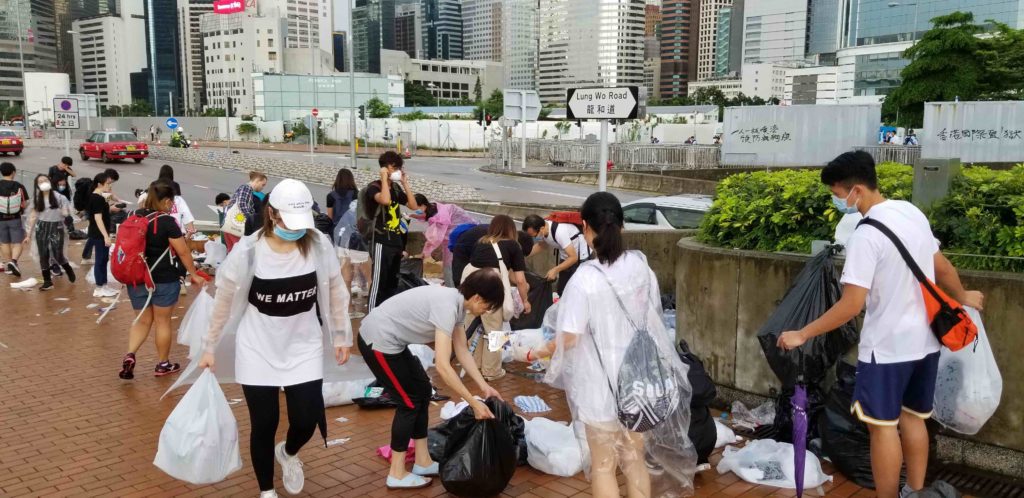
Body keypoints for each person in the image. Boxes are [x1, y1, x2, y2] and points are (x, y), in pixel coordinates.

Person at [777, 151, 985, 498]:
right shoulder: (910, 211)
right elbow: (942, 266)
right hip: (927, 341)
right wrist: (963, 296)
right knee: (914, 418)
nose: (837, 199)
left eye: (837, 192)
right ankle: (914, 492)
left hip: (887, 350)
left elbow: (851, 305)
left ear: (855, 190)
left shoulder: (865, 236)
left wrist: (803, 333)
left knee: (882, 427)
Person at [197, 178, 352, 498]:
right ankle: (267, 491)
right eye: (288, 222)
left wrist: (341, 335)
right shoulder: (249, 252)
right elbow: (223, 299)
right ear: (272, 214)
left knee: (306, 419)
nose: (296, 229)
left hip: (303, 345)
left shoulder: (318, 244)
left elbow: (336, 291)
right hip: (258, 348)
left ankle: (289, 452)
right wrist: (209, 346)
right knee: (264, 424)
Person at [539, 192, 697, 498]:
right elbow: (652, 319)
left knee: (603, 466)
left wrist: (537, 352)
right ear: (621, 225)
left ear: (585, 226)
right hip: (639, 383)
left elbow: (569, 337)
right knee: (634, 459)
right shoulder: (641, 268)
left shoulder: (585, 279)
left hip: (599, 386)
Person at [357, 269, 505, 490]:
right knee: (408, 403)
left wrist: (485, 388)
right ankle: (396, 473)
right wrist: (473, 404)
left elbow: (462, 350)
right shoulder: (447, 307)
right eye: (487, 305)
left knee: (423, 393)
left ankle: (423, 461)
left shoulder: (456, 304)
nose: (486, 311)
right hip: (377, 341)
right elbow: (444, 367)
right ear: (477, 298)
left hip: (393, 343)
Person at [118, 181, 205, 380]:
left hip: (137, 277)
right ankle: (163, 364)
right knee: (163, 322)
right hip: (164, 279)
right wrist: (194, 273)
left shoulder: (132, 216)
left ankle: (130, 355)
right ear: (166, 201)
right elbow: (183, 251)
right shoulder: (166, 221)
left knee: (141, 320)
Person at [462, 215, 531, 380]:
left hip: (470, 289)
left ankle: (475, 365)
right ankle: (492, 371)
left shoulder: (481, 242)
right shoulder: (513, 245)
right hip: (491, 288)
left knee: (472, 328)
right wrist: (525, 300)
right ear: (511, 230)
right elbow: (520, 279)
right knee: (495, 332)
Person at [363, 151, 419, 310]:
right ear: (385, 168)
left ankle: (385, 316)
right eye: (394, 168)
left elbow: (413, 206)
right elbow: (385, 201)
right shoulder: (373, 188)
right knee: (379, 282)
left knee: (391, 283)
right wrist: (383, 179)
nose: (397, 171)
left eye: (399, 168)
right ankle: (372, 315)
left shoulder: (395, 188)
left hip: (396, 242)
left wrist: (405, 183)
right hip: (381, 241)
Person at [25, 174, 75, 290]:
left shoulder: (60, 197)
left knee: (58, 254)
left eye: (45, 180)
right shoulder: (37, 199)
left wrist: (66, 216)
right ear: (37, 185)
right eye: (40, 182)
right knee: (43, 254)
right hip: (41, 227)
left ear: (50, 182)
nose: (43, 183)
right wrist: (28, 234)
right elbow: (33, 216)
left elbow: (65, 211)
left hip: (56, 226)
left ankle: (67, 268)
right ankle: (47, 281)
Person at [414, 193, 475, 287]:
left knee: (450, 264)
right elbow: (425, 216)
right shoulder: (433, 207)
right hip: (459, 234)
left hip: (460, 236)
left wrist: (425, 253)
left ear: (423, 205)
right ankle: (451, 284)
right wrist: (413, 215)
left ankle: (452, 288)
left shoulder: (441, 216)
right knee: (451, 262)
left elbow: (435, 238)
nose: (415, 210)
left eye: (416, 208)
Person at [523, 214, 590, 295]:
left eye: (534, 235)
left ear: (542, 229)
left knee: (577, 291)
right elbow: (541, 245)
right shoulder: (543, 229)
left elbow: (573, 258)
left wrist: (555, 270)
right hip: (566, 255)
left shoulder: (559, 232)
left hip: (581, 256)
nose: (533, 238)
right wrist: (524, 255)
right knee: (562, 289)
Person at [451, 224, 534, 289]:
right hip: (463, 250)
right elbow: (508, 271)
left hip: (474, 249)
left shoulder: (506, 235)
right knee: (461, 284)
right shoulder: (499, 241)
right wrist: (523, 284)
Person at [84, 172, 118, 297]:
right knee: (100, 260)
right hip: (98, 233)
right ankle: (99, 287)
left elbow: (102, 212)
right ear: (99, 184)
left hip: (100, 232)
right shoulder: (96, 198)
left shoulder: (100, 197)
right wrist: (105, 236)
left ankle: (104, 285)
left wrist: (112, 209)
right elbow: (98, 218)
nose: (110, 186)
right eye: (108, 183)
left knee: (104, 259)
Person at [224, 171, 268, 251]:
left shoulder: (245, 188)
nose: (263, 188)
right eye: (263, 185)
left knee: (232, 252)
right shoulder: (246, 188)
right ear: (257, 181)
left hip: (230, 225)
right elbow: (242, 203)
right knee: (238, 252)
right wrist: (250, 218)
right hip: (236, 226)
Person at [0, 162, 29, 277]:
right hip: (15, 218)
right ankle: (14, 261)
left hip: (0, 219)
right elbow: (24, 204)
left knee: (4, 243)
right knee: (18, 242)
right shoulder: (19, 186)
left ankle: (10, 265)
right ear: (13, 172)